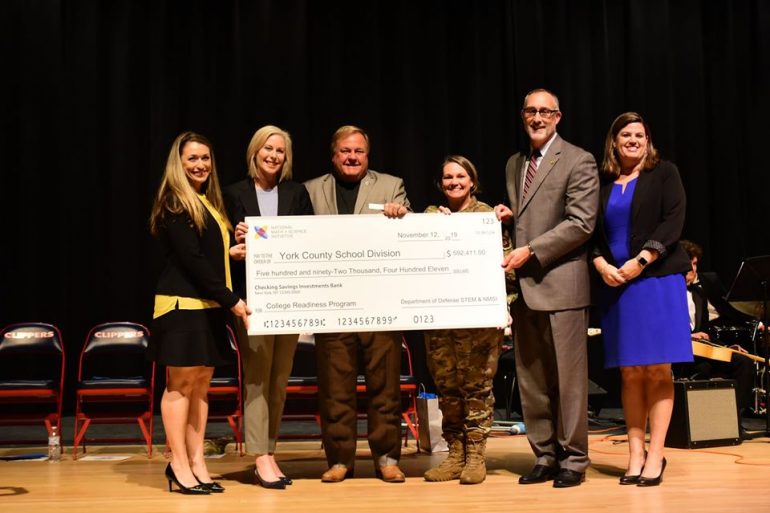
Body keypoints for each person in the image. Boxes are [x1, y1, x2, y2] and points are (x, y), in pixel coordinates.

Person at [494, 88, 599, 488]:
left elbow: (581, 223)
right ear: (523, 116)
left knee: (569, 381)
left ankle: (574, 459)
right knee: (532, 378)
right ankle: (545, 455)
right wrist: (509, 217)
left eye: (545, 112)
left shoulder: (578, 159)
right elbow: (529, 216)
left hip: (562, 284)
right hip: (523, 289)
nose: (537, 118)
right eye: (530, 111)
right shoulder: (514, 163)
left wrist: (531, 250)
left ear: (558, 117)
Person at [304, 125, 409, 483]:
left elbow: (408, 234)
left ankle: (387, 457)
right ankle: (339, 460)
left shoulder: (391, 186)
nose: (352, 157)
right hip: (332, 304)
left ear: (368, 155)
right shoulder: (310, 190)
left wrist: (401, 215)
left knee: (385, 387)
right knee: (335, 389)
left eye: (359, 152)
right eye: (345, 151)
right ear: (333, 155)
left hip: (381, 304)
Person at [592, 112, 692, 487]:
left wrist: (642, 260)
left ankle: (656, 454)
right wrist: (601, 263)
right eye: (626, 135)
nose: (633, 140)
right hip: (615, 284)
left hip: (656, 280)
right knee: (630, 372)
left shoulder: (664, 173)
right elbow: (591, 232)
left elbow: (673, 222)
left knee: (657, 371)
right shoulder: (601, 181)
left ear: (648, 140)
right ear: (614, 142)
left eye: (640, 134)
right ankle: (634, 454)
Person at [148, 131, 251, 495]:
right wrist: (231, 299)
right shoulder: (176, 201)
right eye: (192, 158)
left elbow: (205, 255)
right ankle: (177, 462)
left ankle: (197, 462)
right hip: (182, 306)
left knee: (201, 387)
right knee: (179, 386)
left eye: (205, 158)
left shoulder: (207, 201)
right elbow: (190, 261)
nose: (200, 165)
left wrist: (232, 253)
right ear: (179, 163)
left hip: (207, 307)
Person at [224, 125, 314, 489]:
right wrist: (236, 241)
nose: (274, 155)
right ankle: (259, 454)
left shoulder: (297, 193)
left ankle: (270, 451)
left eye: (280, 150)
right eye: (268, 148)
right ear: (254, 152)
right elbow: (222, 251)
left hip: (288, 300)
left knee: (279, 379)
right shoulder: (233, 194)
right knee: (258, 378)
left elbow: (308, 241)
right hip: (253, 302)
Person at [422, 156, 516, 485]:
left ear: (472, 181)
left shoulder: (487, 217)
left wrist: (502, 307)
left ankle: (476, 456)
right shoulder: (431, 218)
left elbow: (509, 269)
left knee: (476, 387)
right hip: (440, 321)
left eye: (461, 176)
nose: (454, 182)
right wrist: (431, 229)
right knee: (447, 389)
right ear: (440, 183)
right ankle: (455, 454)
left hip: (477, 323)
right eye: (447, 177)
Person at [678, 239, 755, 430]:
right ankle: (700, 424)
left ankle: (732, 420)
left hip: (703, 349)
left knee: (742, 361)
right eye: (689, 264)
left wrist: (725, 348)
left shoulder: (698, 292)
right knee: (703, 368)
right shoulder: (664, 293)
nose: (693, 269)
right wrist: (687, 337)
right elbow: (660, 329)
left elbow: (707, 331)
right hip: (679, 350)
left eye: (695, 264)